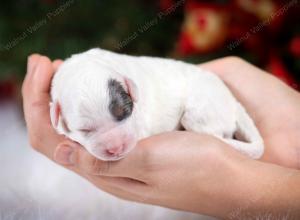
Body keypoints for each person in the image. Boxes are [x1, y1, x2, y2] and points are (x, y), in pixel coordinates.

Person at [22, 55, 300, 219]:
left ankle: (217, 137)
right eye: (86, 129)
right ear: (57, 115)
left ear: (132, 92)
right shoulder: (69, 92)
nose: (115, 145)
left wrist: (252, 187)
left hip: (204, 94)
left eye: (123, 116)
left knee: (195, 110)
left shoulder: (123, 77)